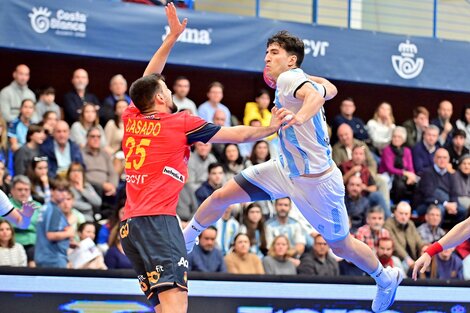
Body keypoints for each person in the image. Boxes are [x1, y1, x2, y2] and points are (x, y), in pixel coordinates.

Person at [184, 30, 402, 312]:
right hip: (284, 170)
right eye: (266, 53)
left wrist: (300, 115)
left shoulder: (289, 79)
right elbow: (330, 89)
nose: (267, 58)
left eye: (274, 53)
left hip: (318, 184)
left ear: (291, 61)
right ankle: (186, 241)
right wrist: (316, 92)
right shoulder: (296, 79)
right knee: (222, 195)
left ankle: (385, 278)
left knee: (342, 246)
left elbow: (313, 95)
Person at [118, 4, 287, 313]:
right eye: (166, 87)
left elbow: (147, 79)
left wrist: (171, 39)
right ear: (160, 98)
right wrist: (270, 128)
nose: (168, 88)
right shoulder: (180, 122)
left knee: (162, 307)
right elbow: (238, 135)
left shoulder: (131, 116)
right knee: (176, 306)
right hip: (158, 223)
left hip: (130, 227)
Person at [379, 126, 417, 203]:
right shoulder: (387, 150)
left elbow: (410, 167)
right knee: (399, 185)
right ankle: (396, 205)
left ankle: (413, 208)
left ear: (403, 139)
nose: (396, 139)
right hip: (389, 175)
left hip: (403, 176)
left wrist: (411, 176)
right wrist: (405, 173)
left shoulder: (407, 151)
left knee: (417, 183)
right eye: (394, 136)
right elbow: (390, 169)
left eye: (399, 137)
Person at [384, 202, 423, 271]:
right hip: (398, 259)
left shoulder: (411, 224)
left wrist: (426, 249)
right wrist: (407, 258)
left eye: (406, 214)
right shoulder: (388, 224)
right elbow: (395, 244)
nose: (403, 217)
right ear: (395, 212)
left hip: (412, 258)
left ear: (410, 214)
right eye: (401, 213)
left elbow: (419, 241)